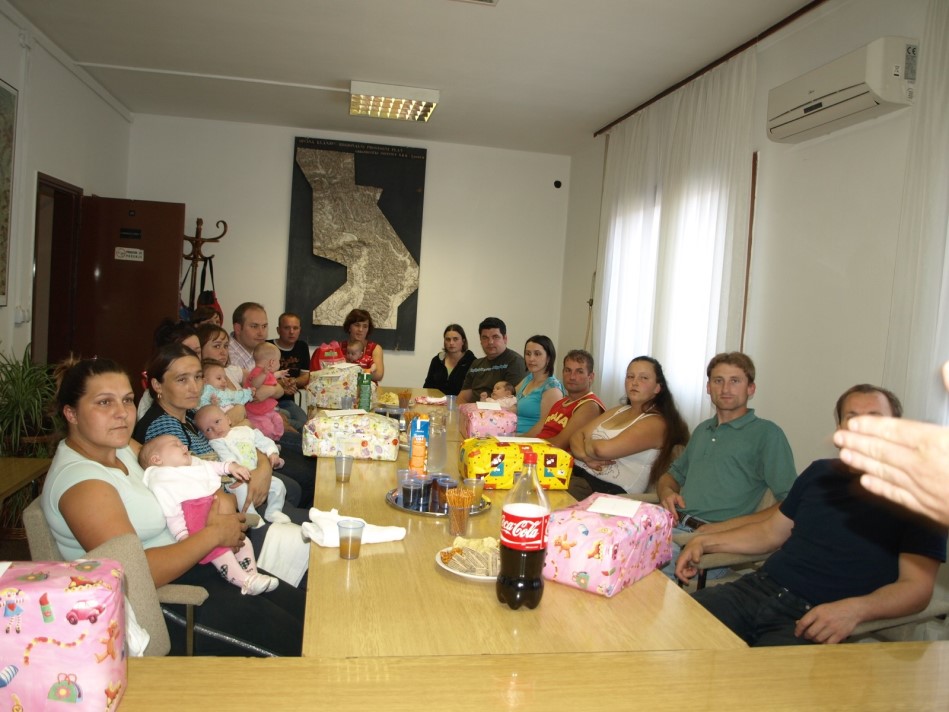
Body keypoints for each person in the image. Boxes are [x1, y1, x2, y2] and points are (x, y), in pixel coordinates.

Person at [41, 357, 305, 655]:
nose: (122, 413)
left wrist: (218, 502)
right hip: (165, 598)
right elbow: (131, 573)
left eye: (127, 400)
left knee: (309, 615)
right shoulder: (83, 484)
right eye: (104, 402)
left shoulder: (121, 448)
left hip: (205, 562)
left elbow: (189, 469)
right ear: (71, 413)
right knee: (300, 646)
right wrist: (214, 534)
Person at [677, 385, 947, 647]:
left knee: (756, 677)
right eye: (852, 418)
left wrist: (855, 610)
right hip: (757, 590)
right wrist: (706, 542)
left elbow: (917, 589)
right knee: (671, 630)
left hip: (815, 615)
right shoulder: (819, 473)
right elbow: (769, 533)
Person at [654, 352, 797, 579]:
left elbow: (791, 503)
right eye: (718, 381)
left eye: (735, 381)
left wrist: (725, 528)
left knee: (629, 563)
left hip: (710, 543)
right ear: (708, 387)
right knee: (607, 544)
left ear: (751, 388)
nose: (725, 388)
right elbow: (670, 476)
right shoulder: (703, 430)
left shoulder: (767, 434)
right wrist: (667, 492)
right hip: (672, 527)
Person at [132, 343, 312, 515]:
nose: (194, 387)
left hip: (242, 475)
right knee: (297, 489)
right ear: (157, 385)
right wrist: (250, 483)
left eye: (197, 377)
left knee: (296, 487)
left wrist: (263, 466)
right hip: (229, 506)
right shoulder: (163, 429)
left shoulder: (190, 413)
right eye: (182, 379)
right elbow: (192, 497)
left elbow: (237, 435)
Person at [139, 435, 280, 596]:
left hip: (212, 507)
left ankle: (252, 574)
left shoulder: (191, 464)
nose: (184, 446)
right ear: (157, 459)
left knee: (243, 541)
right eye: (176, 445)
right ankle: (245, 582)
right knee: (220, 551)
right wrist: (182, 536)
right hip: (195, 518)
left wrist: (231, 467)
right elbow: (171, 512)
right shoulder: (161, 478)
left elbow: (210, 466)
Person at [834, 360, 949, 528]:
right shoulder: (816, 473)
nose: (862, 427)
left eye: (874, 418)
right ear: (839, 430)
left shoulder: (915, 493)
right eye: (852, 418)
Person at [569, 356, 688, 497]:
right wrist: (585, 457)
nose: (634, 383)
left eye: (643, 378)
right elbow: (575, 437)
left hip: (605, 490)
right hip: (575, 473)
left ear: (657, 387)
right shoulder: (619, 410)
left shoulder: (657, 423)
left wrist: (585, 441)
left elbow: (601, 450)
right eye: (630, 376)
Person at [194, 404, 290, 525]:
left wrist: (272, 453)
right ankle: (252, 518)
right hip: (236, 480)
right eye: (208, 429)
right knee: (242, 492)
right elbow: (227, 459)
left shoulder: (245, 430)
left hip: (255, 472)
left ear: (228, 419)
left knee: (279, 486)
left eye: (217, 422)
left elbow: (263, 442)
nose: (215, 429)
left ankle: (273, 511)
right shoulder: (217, 442)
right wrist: (239, 475)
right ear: (204, 435)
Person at [536, 349, 606, 452]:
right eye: (568, 370)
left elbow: (559, 444)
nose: (572, 377)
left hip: (555, 457)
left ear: (590, 377)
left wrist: (527, 445)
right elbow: (534, 432)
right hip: (538, 450)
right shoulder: (560, 403)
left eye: (579, 372)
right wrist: (513, 441)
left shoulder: (590, 406)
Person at [457, 317, 527, 405]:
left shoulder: (515, 362)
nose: (490, 342)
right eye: (485, 338)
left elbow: (512, 403)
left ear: (505, 338)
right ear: (480, 341)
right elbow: (463, 398)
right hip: (472, 411)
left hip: (497, 412)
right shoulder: (476, 364)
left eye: (495, 337)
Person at [311, 308, 385, 382]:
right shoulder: (337, 347)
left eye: (365, 326)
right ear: (349, 327)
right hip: (341, 387)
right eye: (357, 325)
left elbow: (378, 375)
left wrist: (355, 371)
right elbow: (326, 365)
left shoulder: (375, 348)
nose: (361, 329)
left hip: (366, 387)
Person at [513, 335, 564, 436]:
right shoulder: (528, 379)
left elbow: (545, 427)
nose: (531, 359)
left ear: (548, 358)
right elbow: (509, 398)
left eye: (537, 354)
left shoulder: (552, 389)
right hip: (511, 434)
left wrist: (518, 439)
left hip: (528, 440)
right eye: (528, 354)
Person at [270, 312, 310, 430]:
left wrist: (293, 381)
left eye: (295, 328)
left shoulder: (302, 347)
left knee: (306, 424)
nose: (291, 332)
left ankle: (282, 424)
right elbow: (259, 377)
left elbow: (305, 377)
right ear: (278, 330)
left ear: (300, 330)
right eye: (287, 328)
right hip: (268, 400)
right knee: (297, 426)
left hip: (287, 401)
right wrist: (282, 383)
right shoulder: (267, 346)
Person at [244, 342, 288, 441]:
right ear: (271, 362)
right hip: (257, 413)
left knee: (278, 420)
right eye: (278, 361)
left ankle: (276, 438)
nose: (279, 364)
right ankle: (269, 441)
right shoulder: (257, 372)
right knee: (266, 430)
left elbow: (271, 376)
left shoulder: (266, 372)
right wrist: (263, 374)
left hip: (267, 410)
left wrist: (279, 374)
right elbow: (254, 384)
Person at [423, 324, 476, 396]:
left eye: (455, 339)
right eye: (448, 339)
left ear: (463, 341)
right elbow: (427, 387)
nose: (451, 343)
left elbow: (474, 392)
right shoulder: (436, 361)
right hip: (436, 402)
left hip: (460, 402)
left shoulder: (472, 362)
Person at [229, 302, 270, 376]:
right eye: (254, 326)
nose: (261, 333)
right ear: (238, 329)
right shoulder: (230, 359)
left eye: (264, 326)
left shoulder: (258, 350)